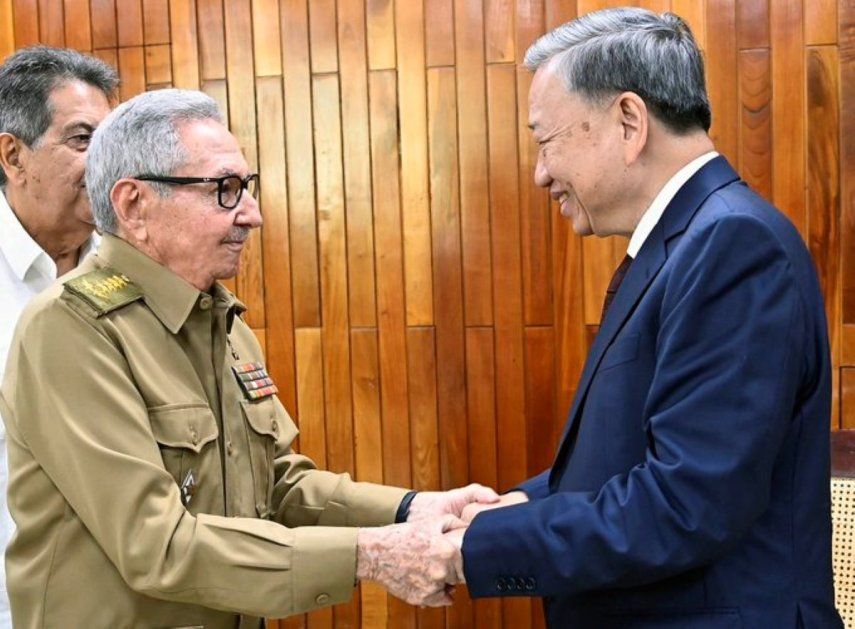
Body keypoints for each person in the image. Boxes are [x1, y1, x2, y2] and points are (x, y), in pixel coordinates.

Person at [0, 88, 494, 627]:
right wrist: (370, 554)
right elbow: (156, 544)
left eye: (246, 187)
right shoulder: (72, 329)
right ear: (134, 205)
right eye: (225, 190)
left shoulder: (220, 320)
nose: (252, 215)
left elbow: (275, 484)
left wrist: (411, 510)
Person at [447, 8, 843, 628]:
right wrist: (516, 505)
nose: (540, 173)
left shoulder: (733, 245)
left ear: (629, 121)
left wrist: (468, 552)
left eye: (546, 142)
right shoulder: (690, 240)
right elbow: (636, 458)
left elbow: (687, 503)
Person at [0, 45, 117, 628]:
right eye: (80, 139)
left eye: (109, 140)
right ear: (12, 154)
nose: (104, 162)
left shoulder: (135, 271)